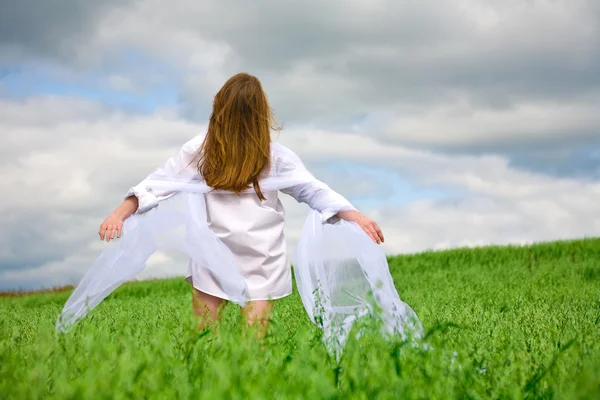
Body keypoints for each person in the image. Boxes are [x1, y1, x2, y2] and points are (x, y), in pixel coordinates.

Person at [96, 73, 385, 337]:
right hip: (213, 253)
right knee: (207, 338)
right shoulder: (201, 151)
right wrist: (119, 213)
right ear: (261, 114)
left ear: (218, 109)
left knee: (244, 344)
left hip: (261, 257)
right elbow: (159, 184)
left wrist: (356, 217)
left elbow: (313, 190)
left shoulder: (274, 156)